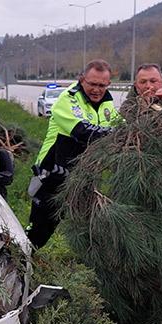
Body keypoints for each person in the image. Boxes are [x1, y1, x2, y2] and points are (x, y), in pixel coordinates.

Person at [26, 59, 120, 249]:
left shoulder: (106, 105)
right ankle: (17, 265)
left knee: (90, 231)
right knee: (39, 233)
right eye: (92, 84)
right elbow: (83, 131)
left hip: (84, 177)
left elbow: (122, 127)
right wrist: (118, 134)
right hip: (53, 176)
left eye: (102, 85)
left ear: (108, 84)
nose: (97, 89)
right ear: (82, 79)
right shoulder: (67, 99)